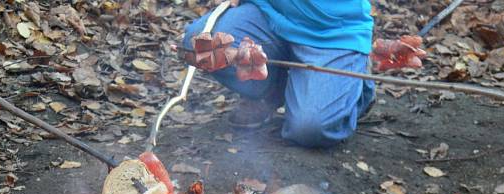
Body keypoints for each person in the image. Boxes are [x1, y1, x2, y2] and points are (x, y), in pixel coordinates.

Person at [182, 0, 425, 148]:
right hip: (267, 12)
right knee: (202, 44)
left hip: (331, 30)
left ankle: (355, 88)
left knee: (310, 129)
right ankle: (271, 92)